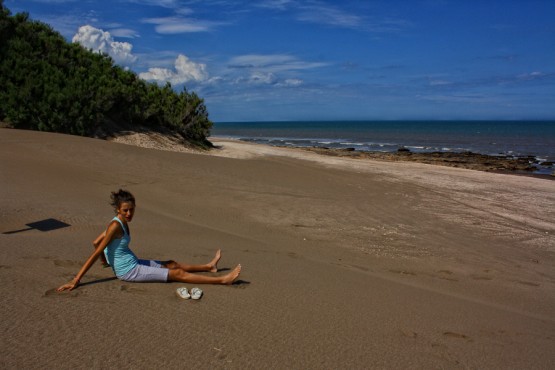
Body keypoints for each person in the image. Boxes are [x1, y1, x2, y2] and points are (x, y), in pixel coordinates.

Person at [57, 189, 241, 292]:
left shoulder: (117, 223)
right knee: (176, 273)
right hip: (129, 271)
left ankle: (209, 267)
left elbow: (96, 241)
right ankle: (223, 280)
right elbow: (96, 250)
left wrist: (107, 262)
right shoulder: (115, 226)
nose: (129, 214)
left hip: (133, 262)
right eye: (125, 211)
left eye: (131, 209)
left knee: (171, 264)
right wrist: (76, 279)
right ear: (118, 210)